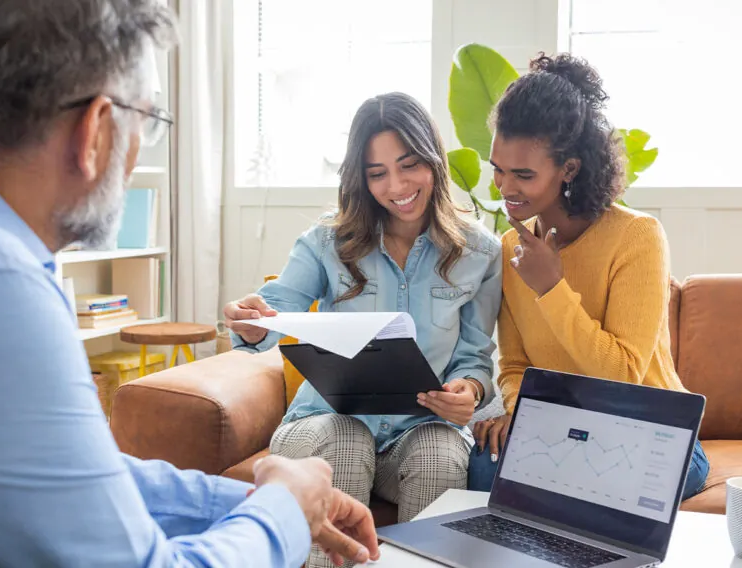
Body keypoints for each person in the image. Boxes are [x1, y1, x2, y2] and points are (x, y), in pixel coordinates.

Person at [0, 2, 378, 567]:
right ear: (97, 130)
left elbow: (64, 481)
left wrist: (248, 493)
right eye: (150, 121)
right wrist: (281, 515)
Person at [225, 92, 502, 565]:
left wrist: (468, 390)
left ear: (433, 159)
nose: (396, 185)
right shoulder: (326, 242)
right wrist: (253, 323)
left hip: (418, 430)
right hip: (321, 426)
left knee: (439, 450)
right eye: (377, 173)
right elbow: (276, 309)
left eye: (409, 164)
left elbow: (474, 356)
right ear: (361, 177)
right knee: (347, 439)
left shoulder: (480, 252)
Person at [468, 53, 710, 497]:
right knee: (484, 468)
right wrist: (522, 415)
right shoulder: (509, 248)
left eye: (524, 174)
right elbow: (515, 364)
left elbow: (623, 375)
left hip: (651, 431)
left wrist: (551, 289)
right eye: (498, 170)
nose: (504, 188)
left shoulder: (637, 237)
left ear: (569, 169)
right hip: (561, 431)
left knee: (582, 486)